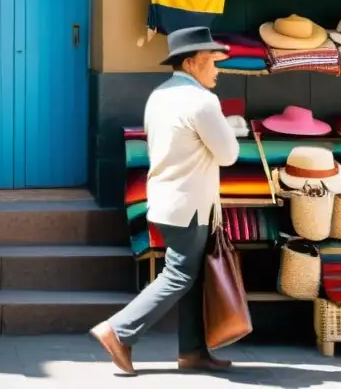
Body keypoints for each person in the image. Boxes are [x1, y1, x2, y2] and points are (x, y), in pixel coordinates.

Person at [91, 26, 240, 375]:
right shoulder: (202, 101)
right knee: (178, 275)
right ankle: (118, 331)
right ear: (191, 63)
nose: (217, 70)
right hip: (189, 205)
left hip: (164, 200)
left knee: (191, 276)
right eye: (212, 62)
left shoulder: (159, 95)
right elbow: (229, 154)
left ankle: (193, 351)